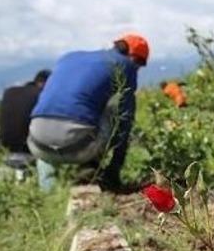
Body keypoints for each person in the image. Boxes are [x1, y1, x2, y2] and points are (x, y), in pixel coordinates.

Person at [28, 33, 149, 192]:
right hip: (80, 148)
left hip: (37, 142)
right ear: (134, 58)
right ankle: (91, 170)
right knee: (114, 106)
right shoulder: (125, 65)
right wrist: (114, 169)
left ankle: (46, 194)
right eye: (140, 64)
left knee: (61, 122)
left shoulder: (68, 57)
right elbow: (125, 120)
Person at [0, 69, 50, 173]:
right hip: (29, 153)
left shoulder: (9, 92)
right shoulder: (42, 95)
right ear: (44, 83)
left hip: (2, 153)